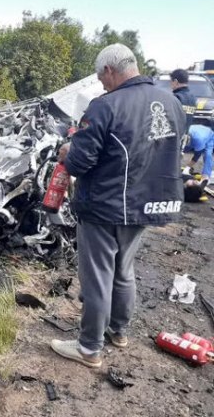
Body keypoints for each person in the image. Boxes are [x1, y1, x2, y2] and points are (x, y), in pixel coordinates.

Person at [51, 43, 185, 368]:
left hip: (105, 206)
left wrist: (69, 152)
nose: (102, 85)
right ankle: (118, 332)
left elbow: (80, 164)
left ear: (109, 71)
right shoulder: (172, 102)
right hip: (146, 204)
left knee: (98, 275)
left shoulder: (105, 106)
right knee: (123, 270)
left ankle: (88, 348)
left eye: (101, 78)